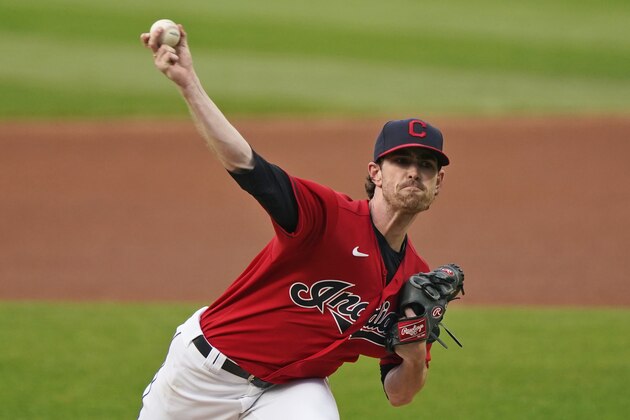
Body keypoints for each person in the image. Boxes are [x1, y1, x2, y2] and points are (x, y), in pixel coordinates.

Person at [138, 23, 450, 420]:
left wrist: (413, 357)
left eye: (426, 166)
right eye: (401, 161)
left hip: (289, 391)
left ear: (437, 182)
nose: (414, 172)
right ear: (375, 173)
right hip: (201, 374)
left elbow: (399, 395)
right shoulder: (325, 215)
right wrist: (188, 84)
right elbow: (247, 164)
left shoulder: (416, 283)